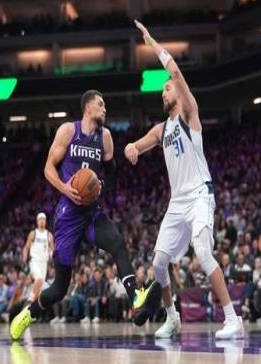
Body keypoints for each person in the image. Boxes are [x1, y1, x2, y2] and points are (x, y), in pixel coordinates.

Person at [124, 20, 244, 340]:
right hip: (177, 202)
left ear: (177, 90)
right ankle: (173, 318)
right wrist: (132, 147)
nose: (163, 91)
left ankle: (233, 318)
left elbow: (175, 72)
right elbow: (142, 143)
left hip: (200, 195)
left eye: (166, 88)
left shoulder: (190, 113)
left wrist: (151, 42)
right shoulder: (162, 129)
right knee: (159, 263)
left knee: (203, 253)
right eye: (163, 89)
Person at [10, 89, 161, 340]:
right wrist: (64, 188)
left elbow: (111, 173)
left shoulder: (106, 138)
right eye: (101, 104)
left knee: (117, 242)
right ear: (88, 107)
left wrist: (102, 184)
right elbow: (48, 168)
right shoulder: (68, 131)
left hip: (91, 213)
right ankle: (28, 314)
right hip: (68, 216)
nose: (105, 109)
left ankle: (136, 298)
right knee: (59, 289)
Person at [22, 212, 54, 303]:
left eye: (43, 219)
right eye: (40, 219)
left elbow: (52, 249)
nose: (42, 221)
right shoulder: (33, 233)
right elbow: (26, 247)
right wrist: (24, 256)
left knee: (40, 285)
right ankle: (30, 300)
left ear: (46, 221)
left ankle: (34, 305)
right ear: (37, 221)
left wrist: (51, 254)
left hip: (44, 263)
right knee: (39, 279)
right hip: (34, 261)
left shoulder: (49, 235)